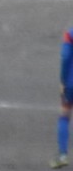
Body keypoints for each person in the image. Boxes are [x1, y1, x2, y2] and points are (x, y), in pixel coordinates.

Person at [53, 23, 73, 168]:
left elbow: (66, 57)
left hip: (71, 82)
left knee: (64, 115)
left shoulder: (70, 34)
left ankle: (62, 155)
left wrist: (63, 80)